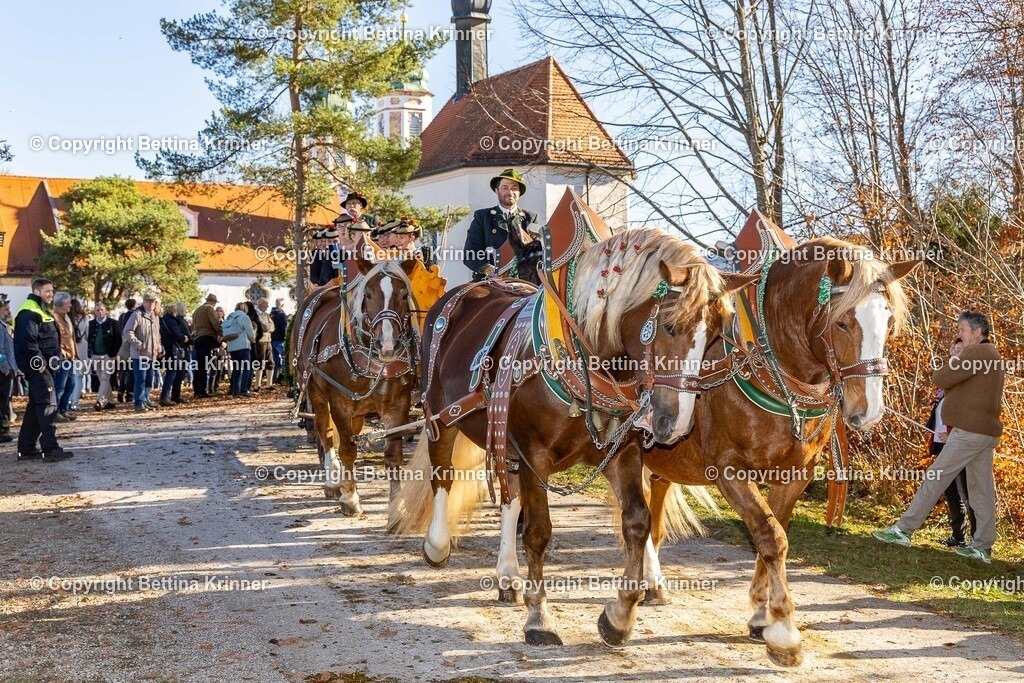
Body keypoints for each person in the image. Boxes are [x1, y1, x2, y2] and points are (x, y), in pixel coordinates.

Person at [873, 311, 1005, 563]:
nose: (958, 335)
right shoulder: (994, 354)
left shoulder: (976, 352)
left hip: (968, 433)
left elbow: (941, 378)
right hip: (984, 433)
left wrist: (953, 359)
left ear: (977, 332)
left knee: (935, 477)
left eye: (962, 330)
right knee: (981, 490)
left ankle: (903, 530)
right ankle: (982, 547)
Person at [14, 278, 73, 461]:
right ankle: (50, 449)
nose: (50, 294)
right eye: (47, 291)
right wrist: (40, 366)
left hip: (46, 368)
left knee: (35, 408)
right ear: (37, 291)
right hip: (39, 369)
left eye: (52, 291)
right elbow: (28, 342)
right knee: (48, 406)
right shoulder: (28, 312)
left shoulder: (40, 309)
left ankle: (26, 449)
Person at [463, 168, 538, 280]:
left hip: (523, 281)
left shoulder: (530, 218)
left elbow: (536, 253)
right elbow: (470, 253)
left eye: (514, 188)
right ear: (497, 190)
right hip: (488, 281)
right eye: (505, 188)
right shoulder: (483, 217)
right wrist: (488, 269)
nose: (510, 192)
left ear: (519, 193)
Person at [123, 293, 162, 413]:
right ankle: (139, 403)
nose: (151, 304)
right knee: (140, 379)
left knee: (150, 378)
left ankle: (146, 399)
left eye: (153, 302)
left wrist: (159, 345)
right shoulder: (137, 315)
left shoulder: (155, 317)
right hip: (140, 354)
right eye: (148, 302)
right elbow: (127, 331)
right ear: (143, 302)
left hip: (152, 354)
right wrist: (137, 343)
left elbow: (157, 334)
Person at [87, 301, 121, 411]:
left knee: (105, 377)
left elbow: (118, 340)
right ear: (94, 312)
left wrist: (114, 354)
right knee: (101, 379)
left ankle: (100, 400)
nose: (100, 312)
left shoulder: (113, 323)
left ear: (105, 310)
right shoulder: (91, 324)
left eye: (102, 309)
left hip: (108, 355)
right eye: (97, 310)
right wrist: (90, 353)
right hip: (96, 355)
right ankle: (110, 400)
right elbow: (89, 339)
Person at [52, 292, 78, 422]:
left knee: (70, 385)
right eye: (68, 303)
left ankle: (63, 409)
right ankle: (55, 412)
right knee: (60, 385)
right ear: (62, 304)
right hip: (62, 357)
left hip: (70, 357)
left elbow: (70, 338)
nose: (70, 306)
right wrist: (61, 353)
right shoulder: (54, 318)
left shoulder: (66, 318)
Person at [222, 302, 256, 397]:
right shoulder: (244, 317)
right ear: (245, 309)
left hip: (232, 346)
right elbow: (250, 331)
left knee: (236, 369)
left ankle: (235, 391)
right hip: (243, 345)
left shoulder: (230, 317)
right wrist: (253, 339)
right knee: (246, 368)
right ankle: (244, 390)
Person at [191, 293, 221, 398]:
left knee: (198, 366)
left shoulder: (197, 310)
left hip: (197, 338)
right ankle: (202, 390)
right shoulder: (209, 309)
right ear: (213, 302)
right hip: (207, 337)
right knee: (204, 365)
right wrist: (220, 332)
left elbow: (193, 326)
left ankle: (196, 389)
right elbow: (214, 322)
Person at [159, 302, 189, 407]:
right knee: (171, 373)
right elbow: (177, 335)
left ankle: (170, 396)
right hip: (172, 351)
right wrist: (184, 337)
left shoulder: (162, 320)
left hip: (166, 350)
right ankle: (165, 396)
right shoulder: (172, 321)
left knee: (172, 373)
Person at [0, 294, 19, 443]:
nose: (9, 312)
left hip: (8, 369)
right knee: (2, 401)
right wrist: (5, 367)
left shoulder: (5, 326)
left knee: (6, 400)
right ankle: (2, 431)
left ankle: (4, 429)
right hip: (2, 371)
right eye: (6, 309)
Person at [69, 298, 90, 410]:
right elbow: (87, 335)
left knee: (69, 376)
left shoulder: (67, 318)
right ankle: (75, 402)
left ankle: (68, 400)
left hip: (70, 348)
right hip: (82, 348)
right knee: (79, 377)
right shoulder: (85, 318)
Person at [116, 298, 138, 403]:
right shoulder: (135, 315)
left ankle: (120, 390)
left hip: (123, 346)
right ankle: (129, 394)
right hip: (132, 346)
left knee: (124, 371)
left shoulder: (122, 316)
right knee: (132, 371)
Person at [253, 297, 276, 391]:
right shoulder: (256, 314)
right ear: (260, 304)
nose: (267, 306)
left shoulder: (266, 315)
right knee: (260, 362)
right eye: (266, 304)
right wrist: (268, 328)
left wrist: (268, 328)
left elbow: (273, 327)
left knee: (270, 362)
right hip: (260, 341)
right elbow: (264, 327)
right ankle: (257, 385)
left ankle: (269, 384)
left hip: (268, 340)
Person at [174, 301, 195, 400]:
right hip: (183, 349)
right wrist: (194, 341)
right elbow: (187, 336)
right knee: (180, 372)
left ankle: (176, 395)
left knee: (180, 372)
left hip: (179, 349)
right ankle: (176, 395)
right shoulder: (181, 322)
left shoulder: (176, 321)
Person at [270, 298, 288, 385]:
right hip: (280, 339)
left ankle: (273, 377)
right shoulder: (282, 314)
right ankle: (283, 376)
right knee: (285, 357)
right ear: (282, 305)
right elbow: (284, 328)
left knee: (275, 360)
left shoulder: (271, 314)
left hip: (272, 339)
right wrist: (286, 337)